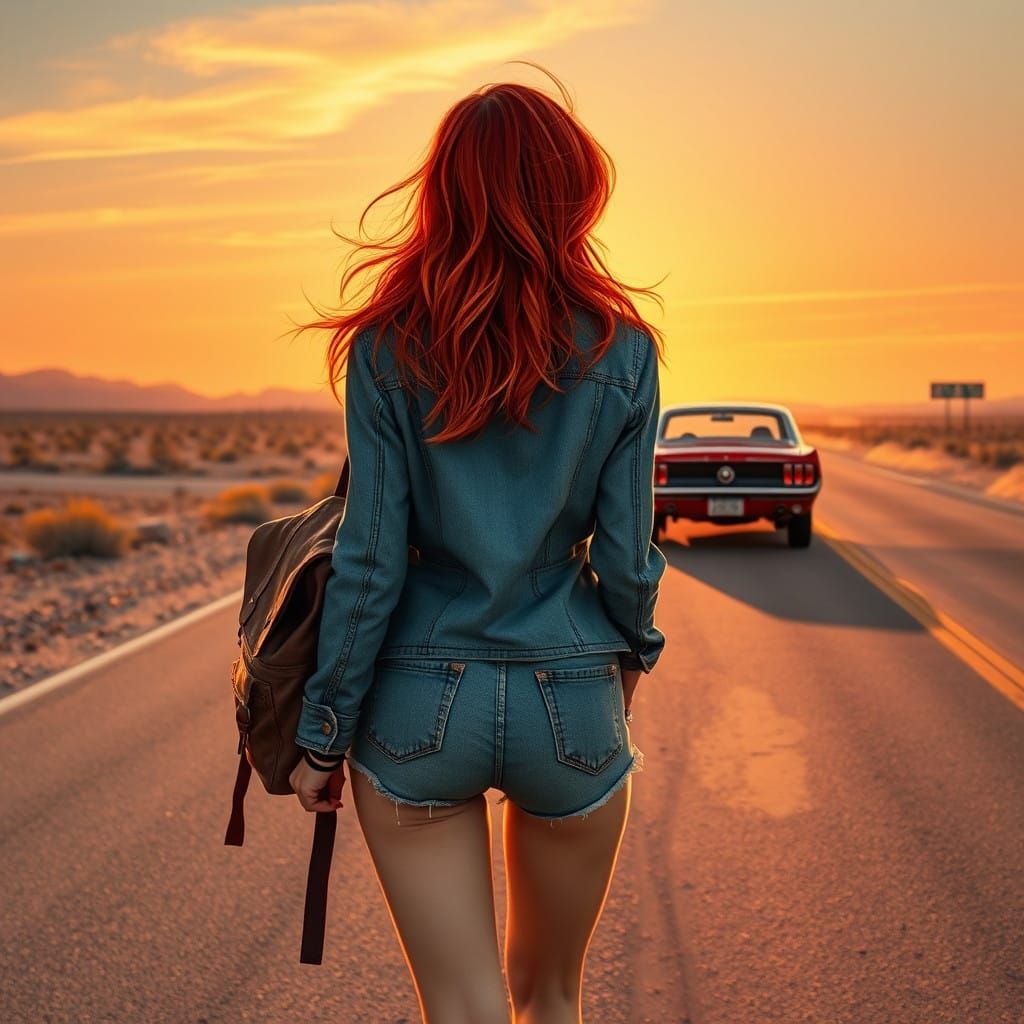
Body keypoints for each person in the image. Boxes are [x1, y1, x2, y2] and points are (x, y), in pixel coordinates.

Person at [285, 62, 668, 1024]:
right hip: (571, 703)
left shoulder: (383, 349)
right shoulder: (625, 350)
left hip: (416, 706)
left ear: (442, 191)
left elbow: (370, 560)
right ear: (574, 190)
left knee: (462, 1010)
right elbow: (627, 559)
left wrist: (321, 737)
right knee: (552, 996)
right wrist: (631, 660)